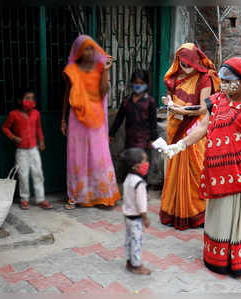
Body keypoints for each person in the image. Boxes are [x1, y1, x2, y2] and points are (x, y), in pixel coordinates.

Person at [164, 57, 241, 278]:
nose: (224, 85)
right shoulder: (217, 100)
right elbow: (203, 127)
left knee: (239, 215)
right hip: (217, 170)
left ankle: (236, 261)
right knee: (219, 214)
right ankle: (214, 259)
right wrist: (181, 144)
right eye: (222, 81)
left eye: (229, 81)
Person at [159, 43, 220, 230]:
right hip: (175, 126)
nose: (185, 68)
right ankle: (174, 211)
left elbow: (204, 108)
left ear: (195, 61)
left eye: (189, 64)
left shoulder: (205, 78)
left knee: (195, 170)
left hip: (195, 128)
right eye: (182, 63)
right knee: (174, 169)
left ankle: (196, 214)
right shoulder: (175, 77)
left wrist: (182, 109)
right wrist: (169, 103)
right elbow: (172, 97)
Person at [61, 35, 120, 209]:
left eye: (91, 48)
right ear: (78, 50)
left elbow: (103, 92)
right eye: (85, 48)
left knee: (98, 154)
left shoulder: (101, 67)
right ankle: (76, 196)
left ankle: (102, 194)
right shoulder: (71, 69)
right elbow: (66, 95)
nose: (89, 52)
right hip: (76, 119)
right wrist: (63, 119)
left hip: (96, 119)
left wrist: (107, 70)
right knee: (76, 156)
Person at [2, 89, 53, 210]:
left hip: (34, 149)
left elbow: (39, 128)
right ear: (20, 100)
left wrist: (41, 141)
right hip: (21, 151)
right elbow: (5, 128)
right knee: (23, 175)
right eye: (27, 98)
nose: (30, 101)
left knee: (38, 173)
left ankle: (40, 199)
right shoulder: (13, 114)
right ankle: (24, 199)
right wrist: (13, 137)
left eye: (32, 98)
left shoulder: (36, 113)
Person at [109, 69, 159, 163]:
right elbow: (118, 119)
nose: (138, 85)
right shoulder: (126, 101)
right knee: (130, 165)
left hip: (145, 141)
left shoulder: (150, 101)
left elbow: (153, 123)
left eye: (141, 83)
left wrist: (153, 139)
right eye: (136, 83)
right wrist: (111, 134)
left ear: (146, 84)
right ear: (132, 83)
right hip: (130, 140)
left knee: (142, 166)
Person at [120, 147, 151, 275]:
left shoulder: (128, 178)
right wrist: (145, 218)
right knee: (136, 241)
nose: (146, 164)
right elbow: (141, 205)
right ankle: (136, 265)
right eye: (145, 161)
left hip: (127, 216)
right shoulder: (139, 183)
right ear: (136, 166)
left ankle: (129, 260)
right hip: (136, 217)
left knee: (128, 239)